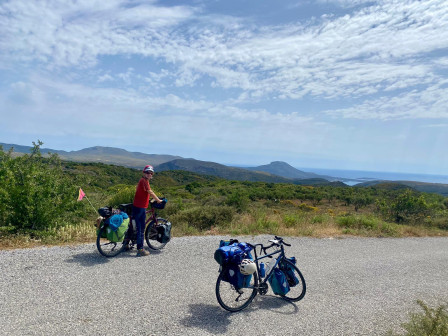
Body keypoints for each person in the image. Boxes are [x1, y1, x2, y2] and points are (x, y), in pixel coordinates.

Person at [132, 165, 162, 256]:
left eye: (151, 173)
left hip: (138, 205)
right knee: (141, 229)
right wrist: (158, 200)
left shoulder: (143, 181)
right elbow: (150, 192)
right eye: (148, 172)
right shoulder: (144, 181)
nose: (149, 174)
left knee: (135, 226)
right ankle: (140, 249)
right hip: (140, 207)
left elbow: (144, 193)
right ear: (144, 173)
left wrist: (148, 200)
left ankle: (127, 245)